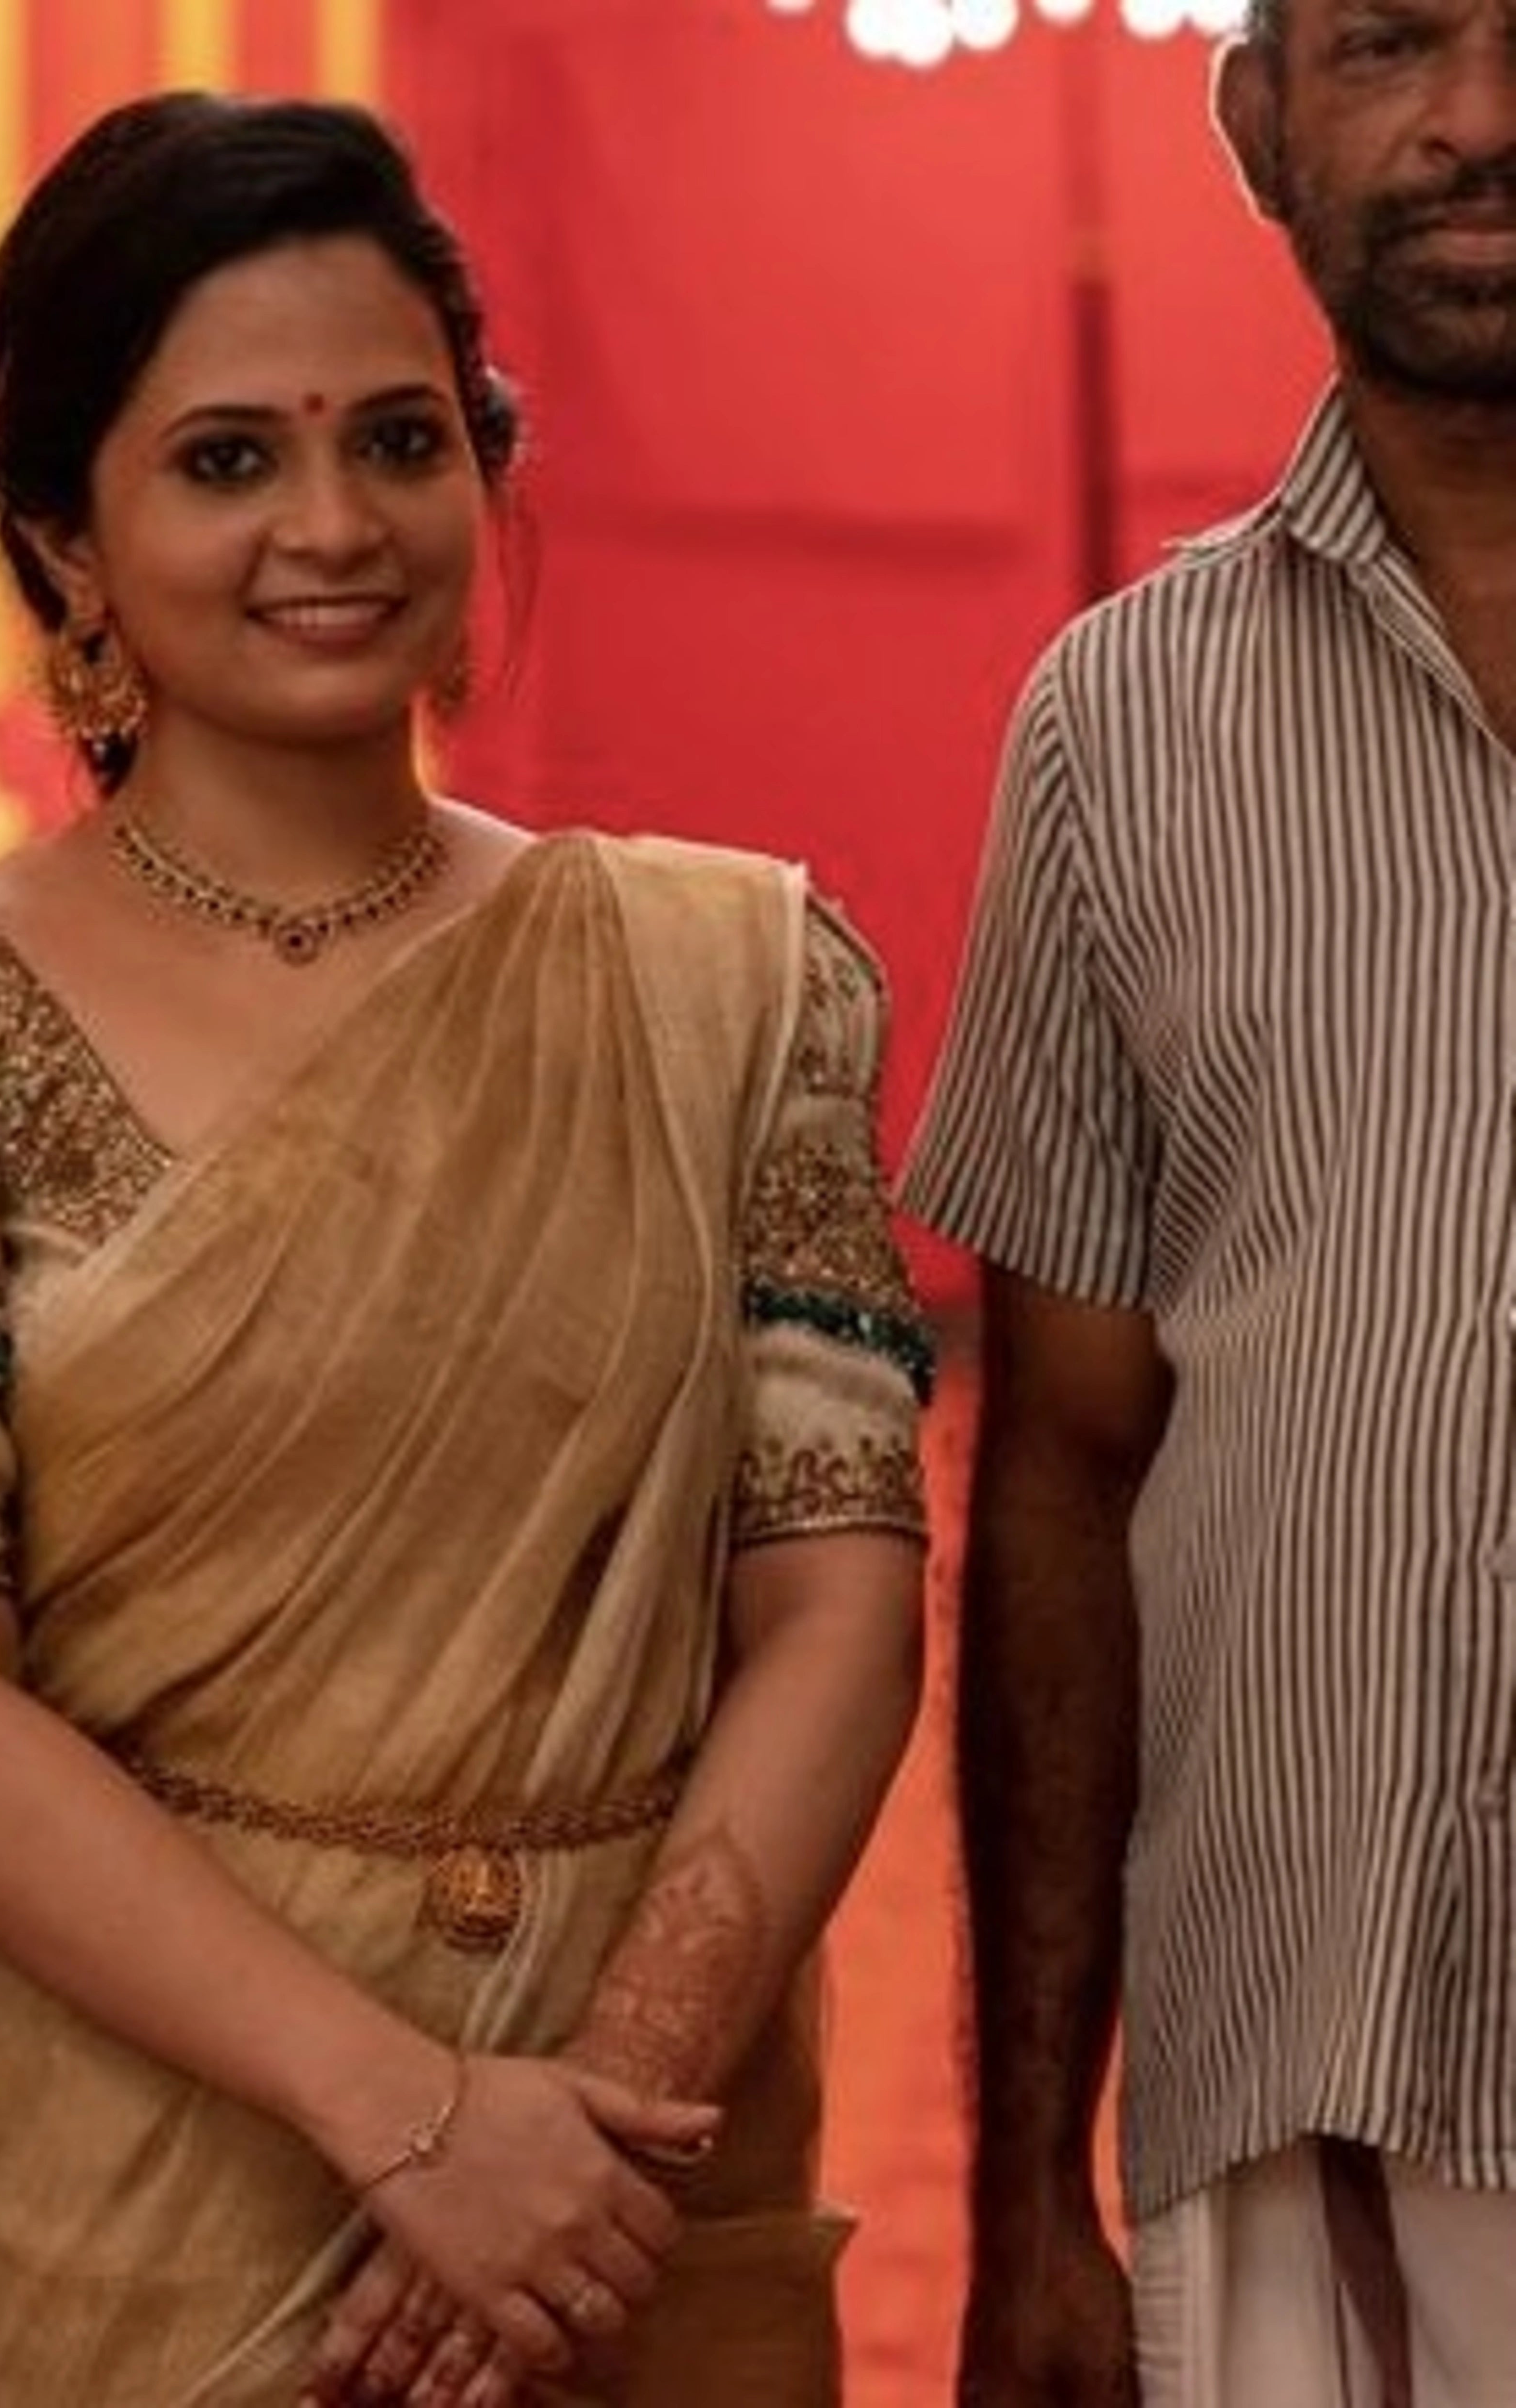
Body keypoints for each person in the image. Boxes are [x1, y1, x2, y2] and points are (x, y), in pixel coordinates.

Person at [0, 90, 930, 2408]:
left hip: (626, 2191)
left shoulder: (730, 979)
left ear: (482, 462)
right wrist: (413, 2115)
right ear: (62, 536)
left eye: (397, 440)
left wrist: (589, 2139)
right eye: (225, 461)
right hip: (91, 2185)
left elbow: (835, 1598)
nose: (331, 526)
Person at [900, 4, 1516, 2400]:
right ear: (1255, 125)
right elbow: (1057, 1467)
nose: (1479, 122)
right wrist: (1022, 2190)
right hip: (1307, 2097)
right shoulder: (1120, 727)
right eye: (1388, 43)